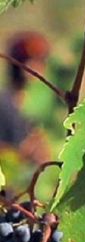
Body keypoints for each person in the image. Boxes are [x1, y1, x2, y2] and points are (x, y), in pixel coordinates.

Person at [0, 32, 51, 165]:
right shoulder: (4, 102)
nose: (39, 67)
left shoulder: (51, 101)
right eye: (32, 61)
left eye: (42, 60)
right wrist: (22, 154)